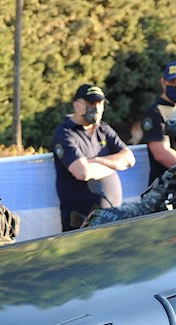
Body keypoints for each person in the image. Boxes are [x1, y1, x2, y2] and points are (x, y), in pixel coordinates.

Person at [51, 83, 135, 232]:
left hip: (111, 216)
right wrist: (115, 164)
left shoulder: (104, 129)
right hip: (80, 221)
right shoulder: (65, 133)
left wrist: (96, 161)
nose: (96, 108)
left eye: (99, 103)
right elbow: (82, 172)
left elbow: (129, 159)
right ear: (77, 106)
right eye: (90, 103)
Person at [141, 60, 176, 184]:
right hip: (167, 184)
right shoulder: (155, 112)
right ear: (163, 82)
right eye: (172, 81)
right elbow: (161, 154)